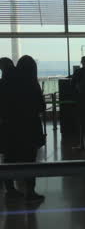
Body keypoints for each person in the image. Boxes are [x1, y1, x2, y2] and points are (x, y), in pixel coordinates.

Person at [0, 55, 45, 202]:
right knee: (30, 160)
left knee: (9, 158)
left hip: (9, 127)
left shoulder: (4, 83)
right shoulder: (32, 84)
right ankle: (30, 191)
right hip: (30, 128)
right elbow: (41, 107)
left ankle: (10, 189)